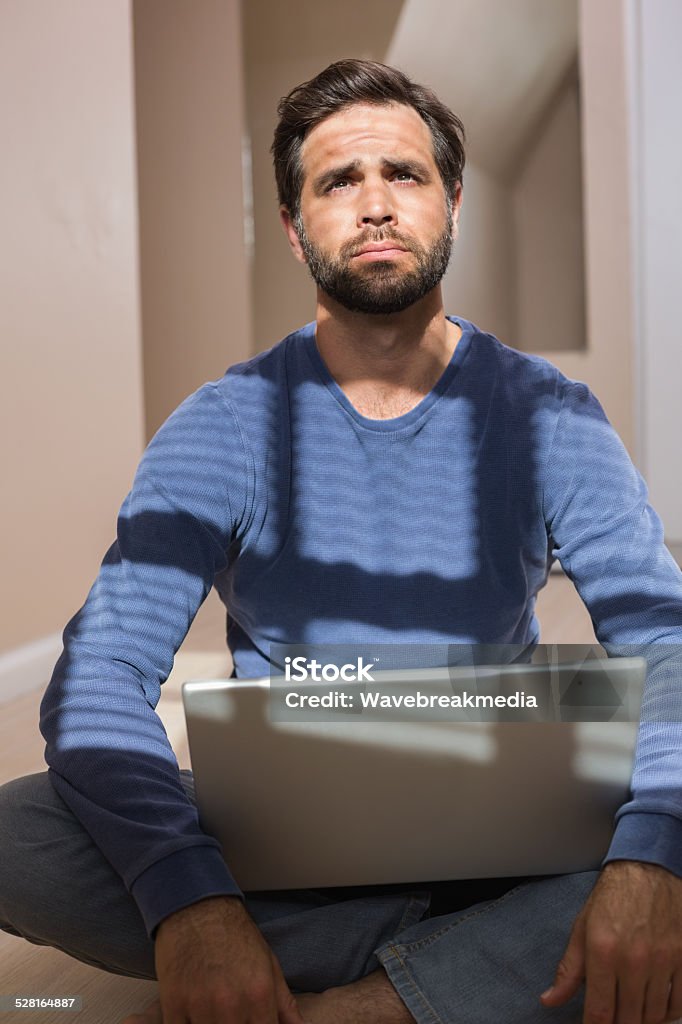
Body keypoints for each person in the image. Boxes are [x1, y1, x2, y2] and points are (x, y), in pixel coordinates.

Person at [2, 58, 682, 1024]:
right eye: (337, 182)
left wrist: (649, 854)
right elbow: (102, 674)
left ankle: (358, 1001)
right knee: (16, 832)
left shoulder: (552, 417)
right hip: (283, 846)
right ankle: (476, 968)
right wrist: (192, 898)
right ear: (293, 226)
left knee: (669, 821)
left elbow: (667, 643)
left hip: (507, 823)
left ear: (453, 203)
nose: (374, 206)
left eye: (404, 176)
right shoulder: (223, 425)